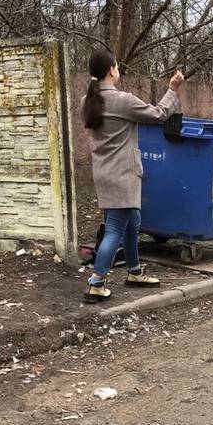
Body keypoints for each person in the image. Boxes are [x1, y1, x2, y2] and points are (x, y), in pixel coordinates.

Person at [81, 49, 185, 301]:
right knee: (115, 228)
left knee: (133, 221)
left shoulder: (88, 100)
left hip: (104, 172)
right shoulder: (122, 100)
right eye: (116, 66)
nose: (118, 69)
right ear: (111, 70)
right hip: (123, 172)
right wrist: (172, 88)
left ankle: (135, 271)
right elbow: (159, 114)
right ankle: (96, 283)